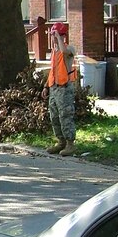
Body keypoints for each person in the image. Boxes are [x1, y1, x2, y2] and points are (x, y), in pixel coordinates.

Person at [43, 22, 77, 157]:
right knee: (55, 117)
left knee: (65, 116)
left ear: (62, 35)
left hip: (64, 88)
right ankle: (61, 141)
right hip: (54, 88)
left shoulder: (69, 49)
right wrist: (46, 86)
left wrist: (58, 38)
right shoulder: (54, 52)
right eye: (52, 35)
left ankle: (70, 144)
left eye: (55, 35)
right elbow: (52, 71)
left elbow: (64, 51)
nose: (53, 38)